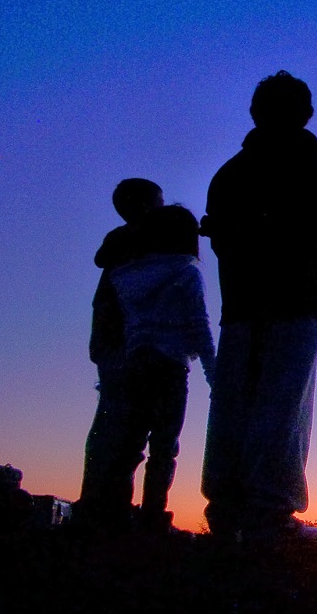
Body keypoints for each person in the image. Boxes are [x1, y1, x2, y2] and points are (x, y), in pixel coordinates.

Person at [200, 71, 317, 544]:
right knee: (282, 408)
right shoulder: (313, 166)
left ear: (255, 113)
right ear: (304, 113)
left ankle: (227, 512)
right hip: (295, 306)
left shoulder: (228, 174)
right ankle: (270, 516)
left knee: (234, 408)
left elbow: (225, 242)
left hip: (242, 307)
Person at [77, 182, 216, 535]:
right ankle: (148, 516)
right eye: (158, 202)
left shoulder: (125, 273)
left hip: (133, 360)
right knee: (162, 444)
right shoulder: (183, 273)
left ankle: (111, 512)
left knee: (126, 441)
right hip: (164, 365)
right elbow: (199, 326)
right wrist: (214, 374)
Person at [77, 178, 165, 532]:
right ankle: (102, 508)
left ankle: (108, 505)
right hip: (124, 344)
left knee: (120, 425)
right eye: (158, 203)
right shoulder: (136, 244)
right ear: (145, 206)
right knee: (119, 425)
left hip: (118, 342)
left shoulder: (121, 244)